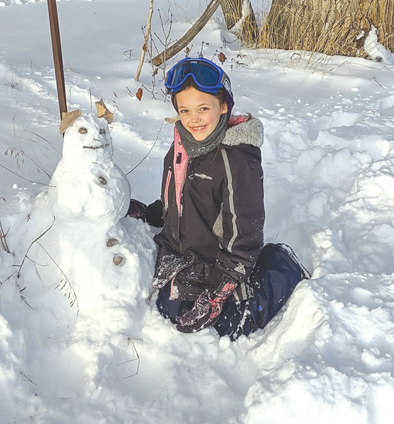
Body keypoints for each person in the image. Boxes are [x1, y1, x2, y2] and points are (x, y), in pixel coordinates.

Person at [128, 57, 308, 340]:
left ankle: (282, 266)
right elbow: (181, 196)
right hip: (186, 253)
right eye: (185, 110)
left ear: (223, 106)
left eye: (203, 108)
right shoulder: (183, 144)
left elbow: (244, 236)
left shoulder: (237, 161)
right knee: (167, 304)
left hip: (220, 259)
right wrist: (154, 213)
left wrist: (217, 295)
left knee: (221, 325)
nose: (193, 118)